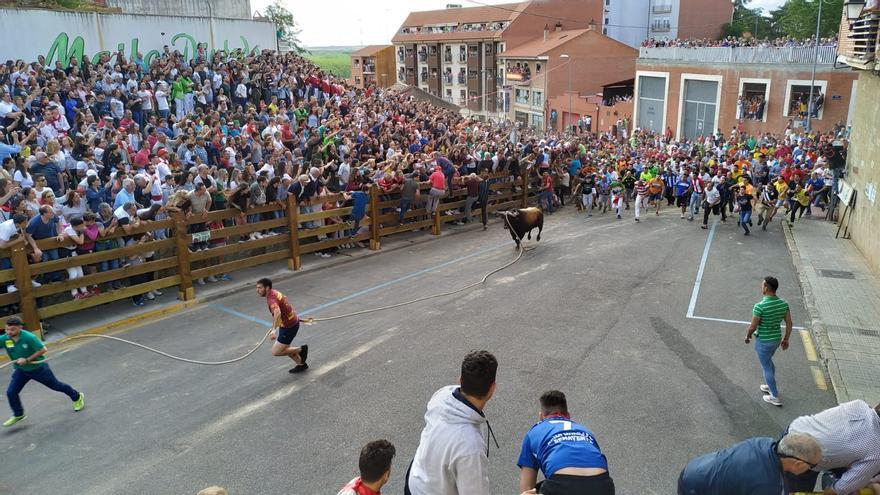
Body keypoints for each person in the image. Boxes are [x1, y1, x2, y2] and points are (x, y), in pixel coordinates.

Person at [405, 350, 498, 495]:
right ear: (492, 389)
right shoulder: (470, 446)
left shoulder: (441, 395)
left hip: (414, 481)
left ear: (460, 379)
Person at [517, 390, 614, 495]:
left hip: (561, 485)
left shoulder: (535, 431)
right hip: (603, 485)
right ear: (568, 416)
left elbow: (526, 488)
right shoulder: (585, 430)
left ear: (541, 417)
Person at [2, 316, 85, 427]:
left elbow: (43, 349)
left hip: (38, 369)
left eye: (12, 330)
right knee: (11, 392)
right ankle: (19, 414)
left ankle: (77, 397)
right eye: (7, 329)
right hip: (21, 370)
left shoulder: (29, 337)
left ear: (20, 328)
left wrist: (27, 360)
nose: (9, 332)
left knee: (56, 386)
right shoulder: (5, 338)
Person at [678, 432, 822, 495]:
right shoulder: (769, 486)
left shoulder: (764, 442)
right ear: (797, 464)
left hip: (695, 468)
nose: (811, 470)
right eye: (812, 467)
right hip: (696, 489)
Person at [785, 400, 880, 494]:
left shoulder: (859, 405)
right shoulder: (876, 451)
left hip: (794, 430)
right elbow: (839, 488)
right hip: (802, 459)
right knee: (796, 491)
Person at [745, 276, 792, 407]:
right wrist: (786, 339)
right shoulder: (784, 303)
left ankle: (774, 396)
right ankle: (768, 385)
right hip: (776, 340)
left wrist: (748, 336)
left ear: (766, 288)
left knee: (766, 367)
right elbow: (789, 322)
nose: (761, 287)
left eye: (762, 285)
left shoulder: (760, 307)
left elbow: (753, 326)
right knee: (769, 363)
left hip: (764, 341)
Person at [255, 277, 308, 373]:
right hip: (290, 323)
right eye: (257, 288)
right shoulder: (275, 292)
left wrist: (274, 329)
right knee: (285, 348)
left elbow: (277, 312)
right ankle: (301, 364)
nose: (257, 290)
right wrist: (293, 316)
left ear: (267, 288)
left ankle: (300, 350)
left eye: (260, 288)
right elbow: (285, 300)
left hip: (289, 327)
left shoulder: (271, 299)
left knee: (276, 351)